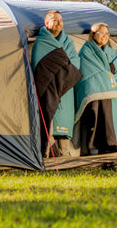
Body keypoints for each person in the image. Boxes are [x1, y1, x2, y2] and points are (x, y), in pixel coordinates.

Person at [31, 10, 82, 157]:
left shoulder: (68, 42)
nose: (59, 23)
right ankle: (47, 152)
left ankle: (64, 153)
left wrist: (60, 69)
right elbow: (39, 67)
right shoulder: (41, 43)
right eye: (55, 20)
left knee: (64, 119)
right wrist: (62, 64)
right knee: (49, 118)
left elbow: (75, 64)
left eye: (61, 20)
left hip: (65, 89)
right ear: (47, 23)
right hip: (48, 88)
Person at [74, 22, 117, 155]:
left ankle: (110, 146)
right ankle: (91, 149)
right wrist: (107, 77)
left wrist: (111, 81)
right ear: (93, 34)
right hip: (93, 93)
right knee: (94, 119)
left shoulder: (113, 53)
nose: (105, 36)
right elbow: (86, 72)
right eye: (101, 33)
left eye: (107, 34)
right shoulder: (86, 52)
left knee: (109, 120)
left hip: (110, 92)